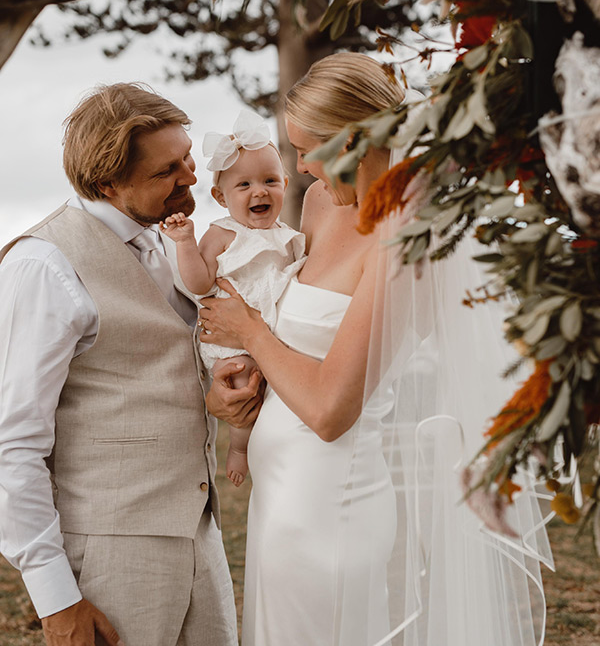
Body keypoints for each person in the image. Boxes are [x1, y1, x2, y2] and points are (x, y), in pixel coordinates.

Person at [199, 52, 552, 646]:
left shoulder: (406, 240)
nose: (301, 167)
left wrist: (249, 331)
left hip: (330, 508)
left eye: (310, 149)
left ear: (357, 140)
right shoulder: (318, 205)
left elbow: (333, 410)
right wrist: (236, 389)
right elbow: (297, 338)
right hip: (277, 501)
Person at [0, 83, 258, 646]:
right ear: (107, 184)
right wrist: (55, 597)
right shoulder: (44, 265)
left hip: (199, 532)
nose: (191, 177)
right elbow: (12, 444)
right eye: (167, 170)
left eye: (187, 156)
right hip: (110, 550)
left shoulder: (169, 242)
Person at [161, 110, 305, 486]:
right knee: (244, 388)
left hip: (273, 333)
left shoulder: (287, 236)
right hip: (231, 345)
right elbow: (198, 281)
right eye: (243, 186)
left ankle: (279, 450)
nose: (259, 191)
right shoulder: (222, 234)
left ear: (285, 183)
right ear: (220, 197)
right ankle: (239, 447)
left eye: (270, 180)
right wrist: (185, 243)